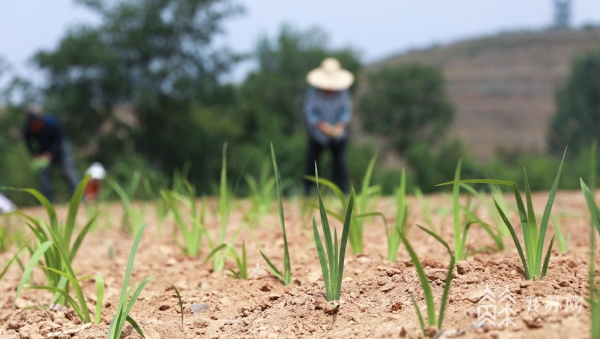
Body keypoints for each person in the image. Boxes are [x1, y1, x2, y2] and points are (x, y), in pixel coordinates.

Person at [303, 57, 355, 195]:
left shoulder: (343, 92)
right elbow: (310, 112)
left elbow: (346, 111)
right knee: (312, 162)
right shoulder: (314, 92)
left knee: (339, 163)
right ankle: (308, 191)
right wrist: (321, 125)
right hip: (318, 134)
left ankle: (342, 192)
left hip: (338, 134)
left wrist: (340, 125)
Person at [22, 108, 80, 202]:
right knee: (44, 176)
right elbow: (29, 144)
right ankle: (47, 202)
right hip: (43, 150)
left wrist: (51, 154)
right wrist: (35, 154)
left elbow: (59, 140)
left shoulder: (52, 123)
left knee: (69, 171)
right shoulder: (27, 129)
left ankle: (79, 199)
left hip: (60, 148)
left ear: (40, 120)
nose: (34, 128)